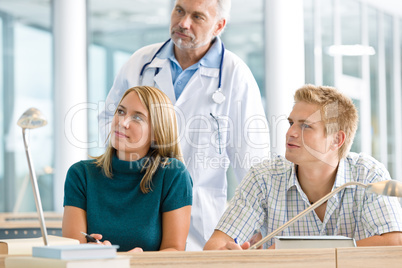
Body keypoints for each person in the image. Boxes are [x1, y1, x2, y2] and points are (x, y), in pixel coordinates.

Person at [98, 0, 270, 250]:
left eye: (197, 17)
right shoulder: (141, 63)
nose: (183, 23)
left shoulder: (235, 75)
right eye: (179, 10)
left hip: (200, 223)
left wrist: (258, 227)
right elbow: (110, 121)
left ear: (219, 25)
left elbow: (252, 162)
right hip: (138, 206)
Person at [204, 84, 402, 250]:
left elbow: (394, 243)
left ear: (336, 139)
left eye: (305, 126)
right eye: (291, 123)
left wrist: (296, 252)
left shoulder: (366, 175)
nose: (290, 132)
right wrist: (231, 255)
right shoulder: (263, 177)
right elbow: (215, 246)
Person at [63, 86, 193, 252]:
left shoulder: (173, 175)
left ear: (157, 133)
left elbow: (173, 251)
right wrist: (91, 251)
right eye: (121, 111)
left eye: (137, 118)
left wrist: (131, 263)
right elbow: (71, 251)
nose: (122, 122)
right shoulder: (81, 175)